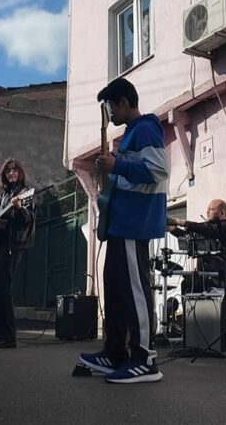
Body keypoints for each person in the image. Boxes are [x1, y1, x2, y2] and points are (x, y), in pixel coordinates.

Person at [78, 78, 168, 384]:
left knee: (134, 289)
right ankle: (115, 351)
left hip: (133, 222)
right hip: (121, 222)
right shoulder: (131, 133)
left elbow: (158, 170)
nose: (110, 113)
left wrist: (117, 166)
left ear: (124, 103)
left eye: (110, 106)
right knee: (116, 287)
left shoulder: (145, 128)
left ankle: (145, 358)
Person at [0, 158, 36, 348]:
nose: (11, 173)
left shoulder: (26, 193)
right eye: (8, 171)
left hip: (14, 244)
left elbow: (29, 219)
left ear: (20, 172)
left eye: (15, 170)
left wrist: (19, 208)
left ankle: (8, 337)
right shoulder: (3, 195)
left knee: (2, 288)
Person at [168, 198, 226, 292]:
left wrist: (181, 222)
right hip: (208, 274)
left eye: (211, 209)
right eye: (208, 209)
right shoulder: (208, 229)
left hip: (225, 273)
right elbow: (190, 236)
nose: (207, 212)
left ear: (222, 213)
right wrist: (172, 229)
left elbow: (207, 229)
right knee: (187, 284)